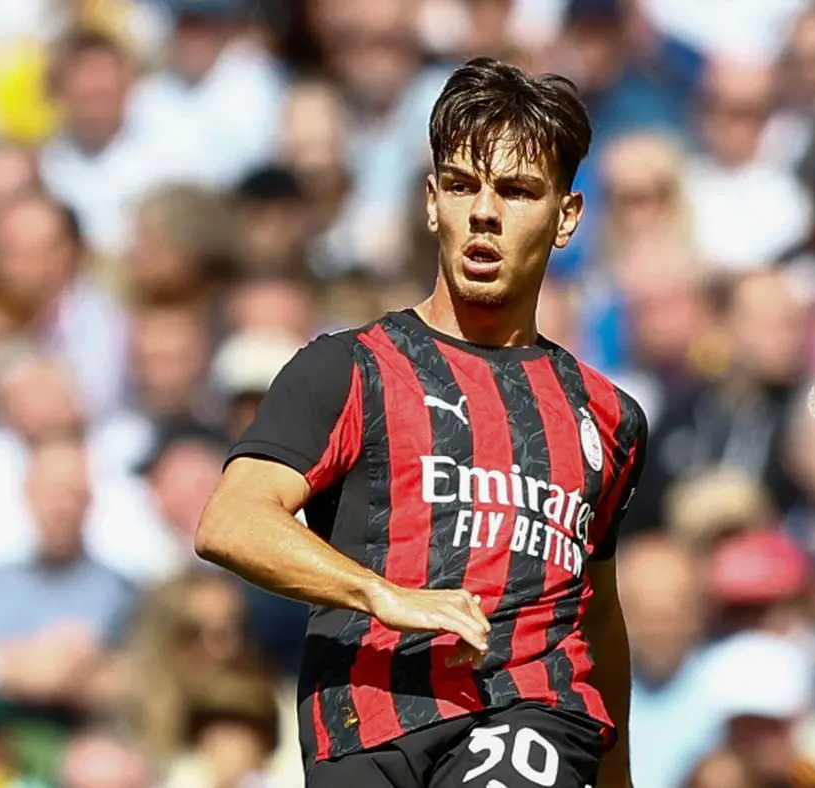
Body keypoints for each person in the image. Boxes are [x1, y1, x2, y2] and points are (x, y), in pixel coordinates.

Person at [196, 58, 648, 788]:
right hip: (363, 720)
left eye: (517, 191)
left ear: (566, 216)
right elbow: (231, 520)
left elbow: (598, 611)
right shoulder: (348, 368)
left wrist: (617, 776)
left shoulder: (608, 418)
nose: (485, 213)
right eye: (463, 186)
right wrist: (381, 593)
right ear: (433, 201)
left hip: (529, 711)